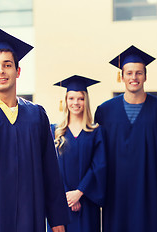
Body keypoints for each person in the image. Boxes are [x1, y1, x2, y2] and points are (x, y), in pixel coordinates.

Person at [0, 28, 69, 232]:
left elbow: (50, 170)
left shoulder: (36, 115)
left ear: (18, 71)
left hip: (27, 212)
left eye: (7, 65)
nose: (1, 70)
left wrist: (57, 220)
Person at [94, 45, 157, 232]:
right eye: (129, 73)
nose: (134, 78)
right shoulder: (105, 112)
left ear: (145, 76)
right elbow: (97, 156)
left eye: (139, 73)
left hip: (150, 190)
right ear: (122, 76)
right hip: (115, 191)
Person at [47, 75, 106, 232]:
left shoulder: (95, 132)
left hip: (87, 202)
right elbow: (51, 168)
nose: (75, 103)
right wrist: (68, 196)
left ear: (86, 101)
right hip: (61, 202)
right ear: (65, 101)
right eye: (71, 98)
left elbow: (99, 166)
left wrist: (79, 193)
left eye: (80, 98)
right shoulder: (55, 131)